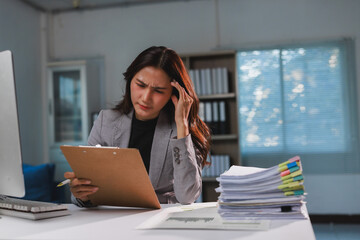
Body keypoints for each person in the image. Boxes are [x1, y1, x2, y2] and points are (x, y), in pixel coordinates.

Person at [64, 46, 211, 206]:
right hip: (113, 218)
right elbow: (83, 194)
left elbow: (187, 196)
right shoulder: (105, 121)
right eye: (140, 85)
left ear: (173, 94)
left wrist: (182, 125)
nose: (146, 98)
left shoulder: (182, 129)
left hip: (160, 220)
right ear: (130, 81)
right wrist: (82, 195)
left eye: (158, 91)